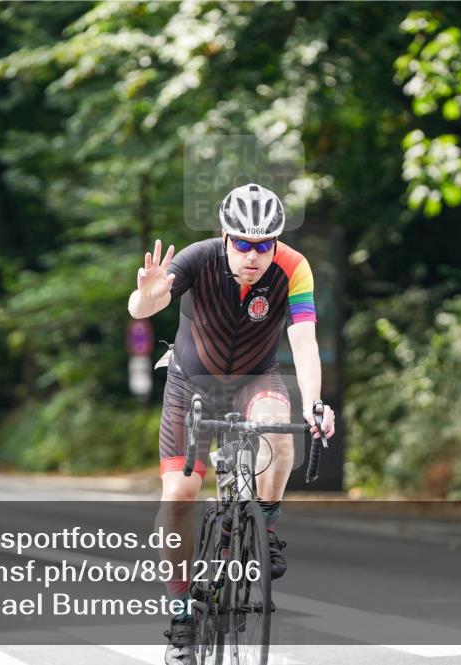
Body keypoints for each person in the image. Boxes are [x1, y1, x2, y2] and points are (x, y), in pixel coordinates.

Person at [128, 183, 336, 664]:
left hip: (254, 378)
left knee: (279, 434)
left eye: (265, 244)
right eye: (242, 242)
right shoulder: (199, 259)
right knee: (179, 496)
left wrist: (315, 401)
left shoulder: (293, 268)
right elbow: (147, 306)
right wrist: (143, 299)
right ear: (224, 236)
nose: (253, 254)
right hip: (190, 384)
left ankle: (264, 525)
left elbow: (303, 340)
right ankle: (181, 611)